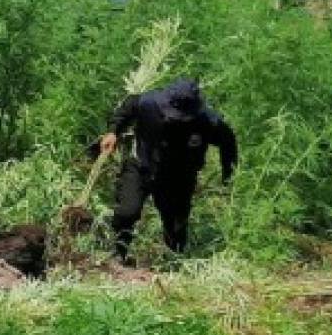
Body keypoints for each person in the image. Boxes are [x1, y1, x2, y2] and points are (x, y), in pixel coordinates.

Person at [98, 78, 237, 260]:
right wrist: (113, 131)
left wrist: (229, 175)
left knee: (176, 227)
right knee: (127, 212)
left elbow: (229, 143)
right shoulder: (148, 103)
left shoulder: (207, 121)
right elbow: (127, 108)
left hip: (179, 177)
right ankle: (117, 253)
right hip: (142, 166)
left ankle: (172, 262)